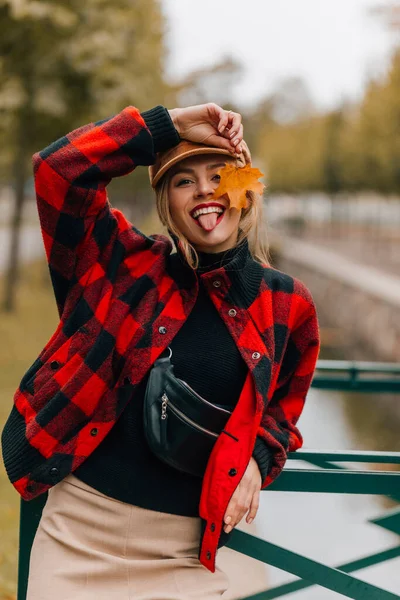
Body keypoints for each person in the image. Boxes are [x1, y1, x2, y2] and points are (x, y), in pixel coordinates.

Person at [1, 103, 320, 599]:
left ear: (247, 189)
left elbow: (283, 408)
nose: (204, 192)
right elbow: (58, 169)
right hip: (78, 535)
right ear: (166, 203)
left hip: (186, 553)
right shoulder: (121, 265)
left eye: (219, 175)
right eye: (183, 181)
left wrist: (259, 458)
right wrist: (167, 124)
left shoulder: (286, 303)